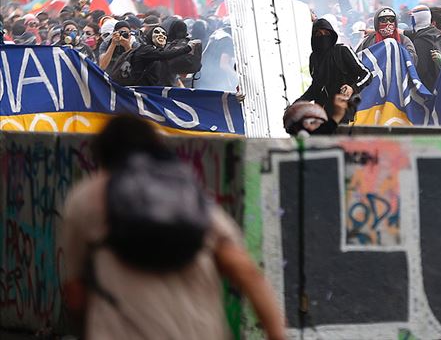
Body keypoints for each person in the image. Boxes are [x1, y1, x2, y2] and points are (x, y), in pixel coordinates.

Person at [60, 115, 284, 339]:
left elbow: (75, 293)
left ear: (103, 155)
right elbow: (245, 271)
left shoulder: (87, 200)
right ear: (156, 146)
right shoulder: (188, 196)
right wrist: (277, 334)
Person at [299, 17, 371, 123]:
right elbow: (315, 88)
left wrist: (353, 88)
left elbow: (367, 74)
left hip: (342, 111)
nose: (323, 37)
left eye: (326, 33)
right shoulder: (314, 57)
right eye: (318, 34)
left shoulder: (342, 50)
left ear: (332, 34)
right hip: (322, 114)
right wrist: (298, 103)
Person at [126, 26, 199, 87]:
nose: (161, 35)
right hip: (140, 90)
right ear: (150, 35)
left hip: (151, 90)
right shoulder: (146, 49)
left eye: (164, 34)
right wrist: (187, 48)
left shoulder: (159, 52)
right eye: (157, 32)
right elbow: (164, 55)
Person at [408, 5, 441, 91]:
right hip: (440, 85)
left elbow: (421, 69)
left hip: (427, 89)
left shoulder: (420, 40)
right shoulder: (440, 36)